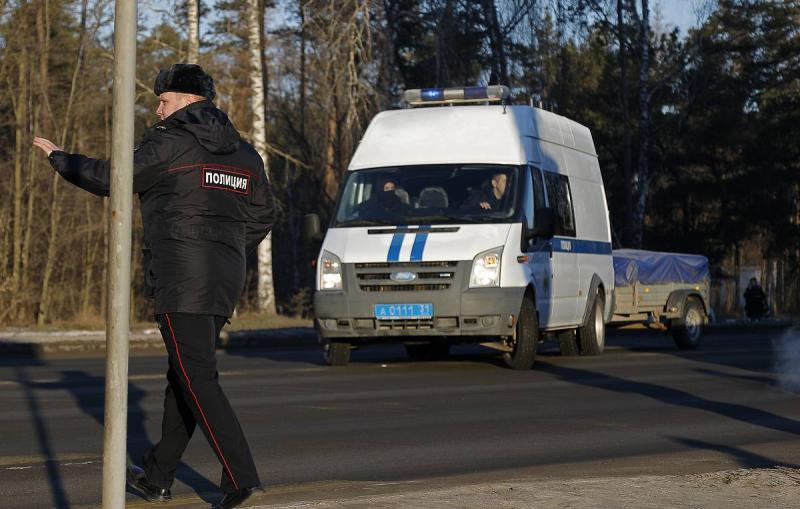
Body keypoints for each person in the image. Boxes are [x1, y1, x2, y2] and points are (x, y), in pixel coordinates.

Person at [33, 63, 273, 509]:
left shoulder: (169, 142)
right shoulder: (245, 154)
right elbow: (263, 216)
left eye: (163, 100)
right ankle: (159, 476)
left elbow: (112, 178)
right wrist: (225, 250)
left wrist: (60, 158)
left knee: (197, 377)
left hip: (182, 279)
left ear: (185, 100)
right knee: (183, 376)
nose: (157, 109)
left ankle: (242, 480)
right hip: (223, 280)